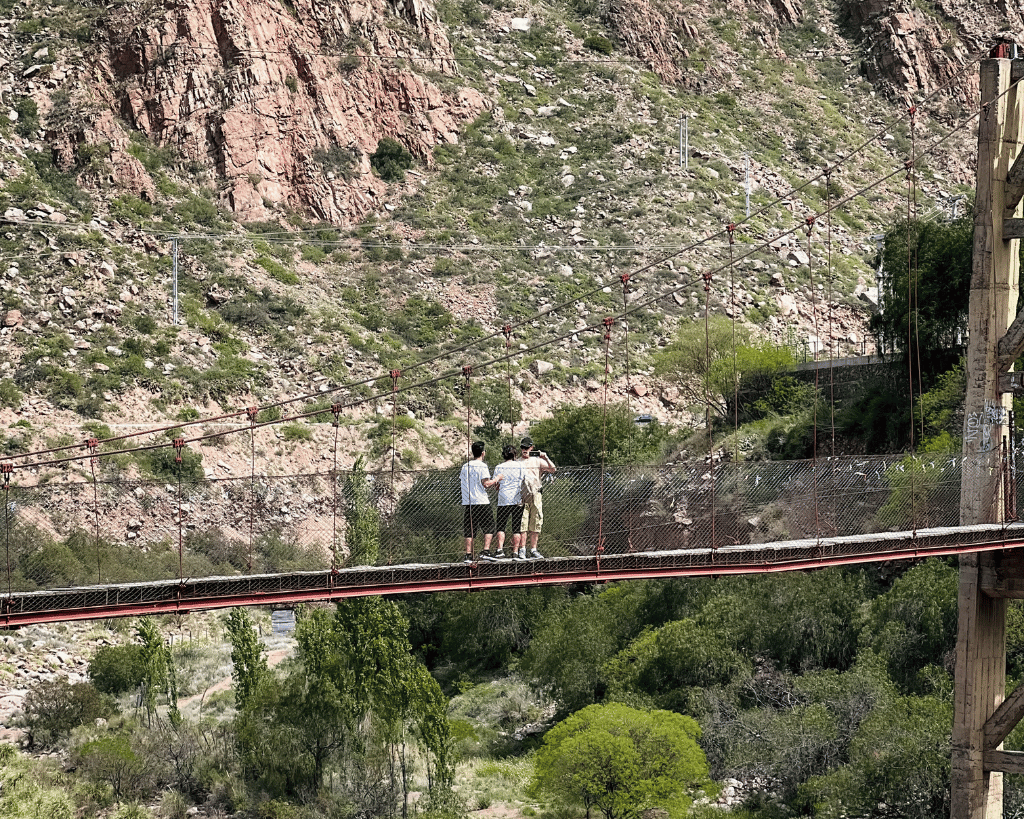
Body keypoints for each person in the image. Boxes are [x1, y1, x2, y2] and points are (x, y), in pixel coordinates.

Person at [459, 440, 502, 563]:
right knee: (489, 526)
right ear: (483, 453)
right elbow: (486, 484)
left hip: (469, 502)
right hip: (481, 501)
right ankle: (485, 551)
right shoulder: (482, 466)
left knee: (470, 529)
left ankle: (468, 554)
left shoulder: (465, 466)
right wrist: (497, 479)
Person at [518, 436, 556, 559]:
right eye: (523, 447)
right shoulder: (517, 462)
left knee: (536, 521)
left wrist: (545, 457)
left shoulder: (537, 460)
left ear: (532, 448)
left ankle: (533, 549)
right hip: (522, 495)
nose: (525, 450)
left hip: (536, 493)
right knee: (522, 522)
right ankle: (522, 549)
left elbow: (552, 469)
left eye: (527, 447)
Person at [492, 444, 524, 559]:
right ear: (514, 454)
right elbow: (523, 480)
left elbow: (496, 485)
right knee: (516, 527)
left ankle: (500, 549)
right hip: (517, 499)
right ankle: (515, 552)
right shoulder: (520, 466)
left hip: (503, 500)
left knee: (501, 526)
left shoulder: (499, 467)